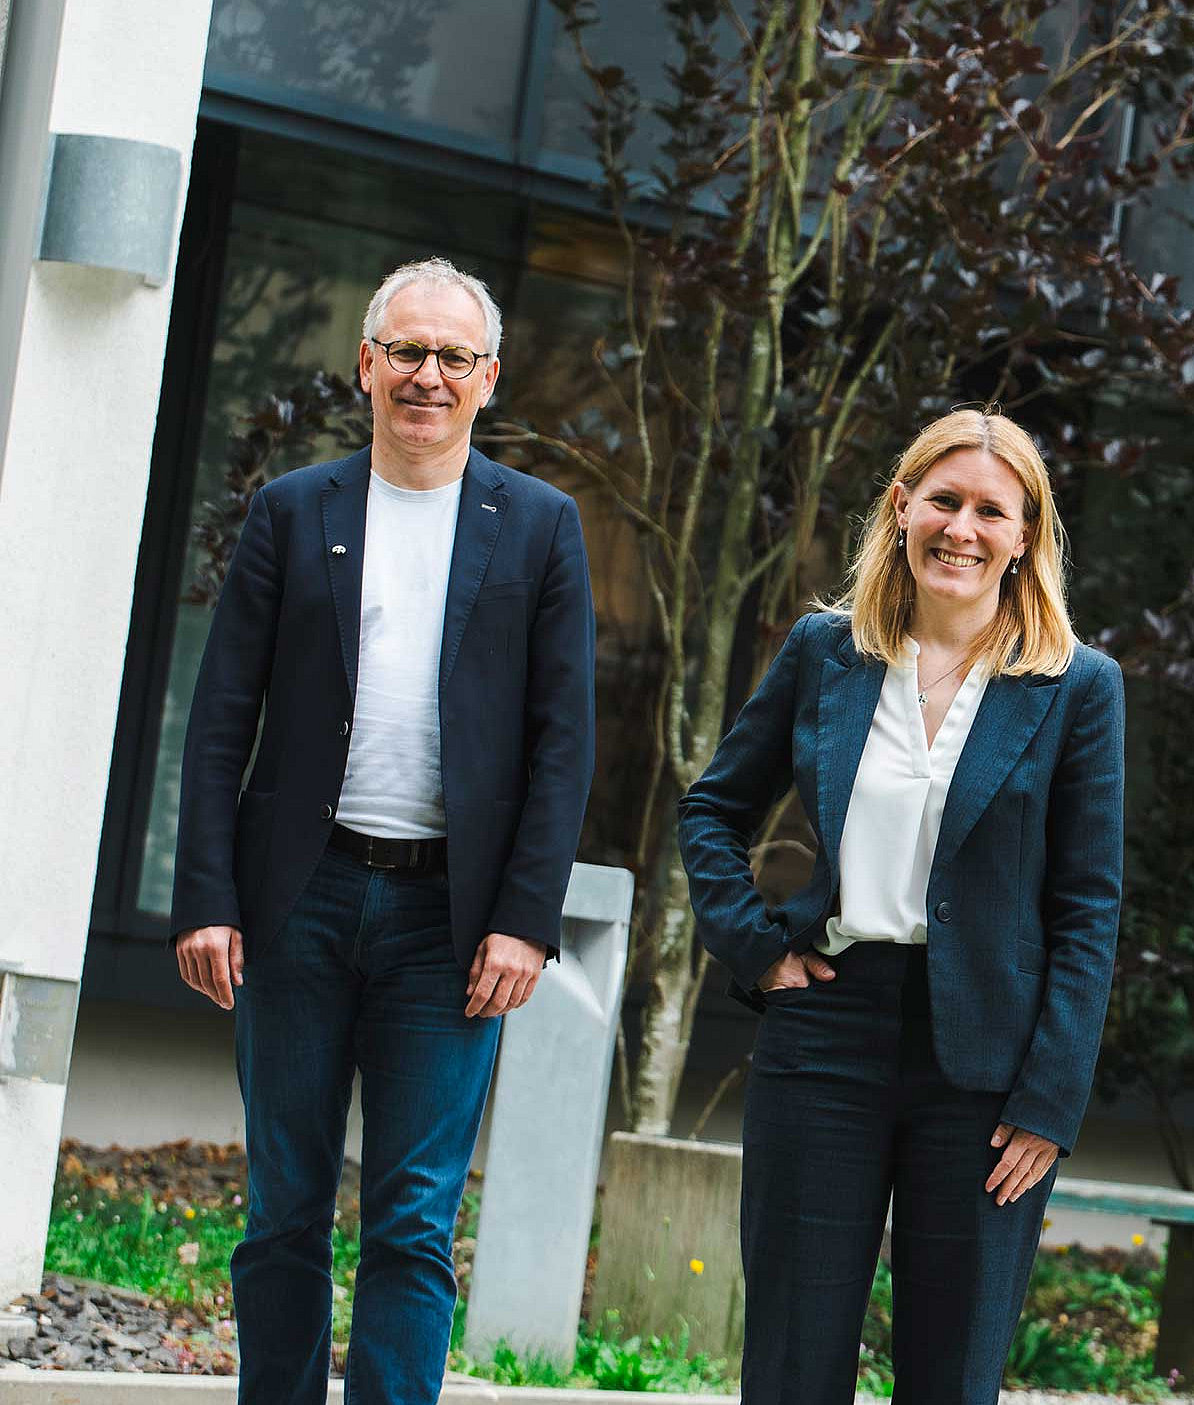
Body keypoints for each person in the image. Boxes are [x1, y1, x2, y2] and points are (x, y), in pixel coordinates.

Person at [170, 257, 596, 1405]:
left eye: (453, 357)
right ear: (366, 365)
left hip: (447, 927)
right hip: (296, 903)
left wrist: (524, 921)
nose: (426, 374)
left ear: (488, 379)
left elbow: (565, 744)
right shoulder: (291, 510)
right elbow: (220, 720)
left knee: (412, 1220)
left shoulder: (542, 528)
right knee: (284, 1207)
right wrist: (207, 894)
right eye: (405, 350)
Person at [679, 407, 1125, 1404]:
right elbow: (712, 809)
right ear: (902, 507)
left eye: (990, 511)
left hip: (988, 1067)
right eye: (944, 501)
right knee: (793, 1358)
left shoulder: (1076, 688)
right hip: (827, 1028)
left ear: (1025, 536)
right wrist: (753, 947)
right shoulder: (823, 652)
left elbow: (1088, 908)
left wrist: (1051, 1099)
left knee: (951, 1371)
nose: (961, 528)